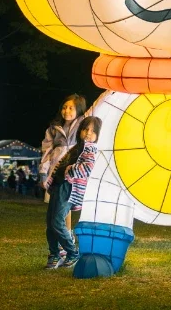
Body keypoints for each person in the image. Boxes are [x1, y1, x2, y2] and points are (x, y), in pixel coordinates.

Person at [44, 115, 101, 270]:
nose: (88, 133)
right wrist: (51, 179)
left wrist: (70, 170)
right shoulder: (77, 147)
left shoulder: (90, 149)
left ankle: (72, 252)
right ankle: (54, 254)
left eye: (93, 131)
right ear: (80, 130)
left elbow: (87, 168)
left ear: (97, 135)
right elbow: (61, 164)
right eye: (85, 129)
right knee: (50, 223)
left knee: (57, 222)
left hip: (69, 188)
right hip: (59, 185)